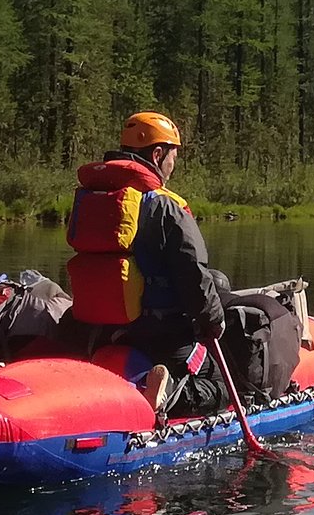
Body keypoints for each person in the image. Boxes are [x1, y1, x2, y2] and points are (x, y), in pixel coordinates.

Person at [63, 112, 227, 414]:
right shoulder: (166, 206)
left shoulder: (91, 199)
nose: (172, 166)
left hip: (99, 331)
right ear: (157, 154)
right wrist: (213, 321)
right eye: (172, 157)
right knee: (218, 386)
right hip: (159, 334)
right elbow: (194, 274)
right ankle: (171, 393)